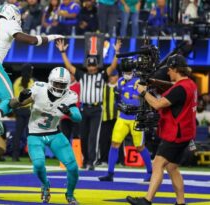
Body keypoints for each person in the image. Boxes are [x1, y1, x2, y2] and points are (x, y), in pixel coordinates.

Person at [0, 3, 64, 149]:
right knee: (10, 99)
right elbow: (31, 41)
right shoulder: (9, 24)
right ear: (12, 15)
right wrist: (51, 37)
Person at [127, 54, 197, 205]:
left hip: (176, 134)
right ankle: (180, 202)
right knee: (172, 167)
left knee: (157, 164)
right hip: (186, 132)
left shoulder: (179, 88)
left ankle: (147, 200)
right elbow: (175, 96)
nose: (168, 73)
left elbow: (158, 104)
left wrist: (144, 92)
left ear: (175, 69)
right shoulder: (191, 84)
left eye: (170, 70)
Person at [11, 67, 82, 204]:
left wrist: (70, 112)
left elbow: (78, 117)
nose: (59, 87)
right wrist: (21, 98)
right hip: (35, 134)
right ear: (50, 81)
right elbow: (15, 104)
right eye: (57, 83)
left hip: (54, 133)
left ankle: (70, 194)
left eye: (62, 84)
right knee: (38, 164)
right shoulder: (38, 89)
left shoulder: (69, 96)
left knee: (73, 167)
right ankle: (45, 184)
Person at [56, 39, 121, 170]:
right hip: (84, 108)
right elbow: (69, 67)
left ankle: (92, 161)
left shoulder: (102, 75)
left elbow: (113, 67)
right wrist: (63, 52)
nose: (91, 68)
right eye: (89, 65)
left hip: (97, 108)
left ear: (97, 66)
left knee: (93, 137)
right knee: (83, 136)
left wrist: (117, 52)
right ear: (87, 66)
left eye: (93, 65)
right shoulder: (82, 75)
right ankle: (86, 160)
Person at [98, 64, 153, 182]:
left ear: (133, 71)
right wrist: (119, 102)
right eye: (125, 72)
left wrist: (131, 99)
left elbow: (140, 99)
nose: (127, 75)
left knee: (139, 146)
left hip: (136, 117)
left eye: (129, 72)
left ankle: (150, 172)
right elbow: (119, 99)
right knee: (114, 144)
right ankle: (110, 173)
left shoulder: (139, 81)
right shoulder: (120, 81)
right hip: (122, 117)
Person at [12, 63, 35, 161]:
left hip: (19, 110)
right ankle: (31, 156)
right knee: (30, 134)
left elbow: (13, 97)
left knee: (18, 133)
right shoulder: (32, 82)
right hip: (29, 110)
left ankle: (15, 156)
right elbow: (34, 97)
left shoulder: (17, 82)